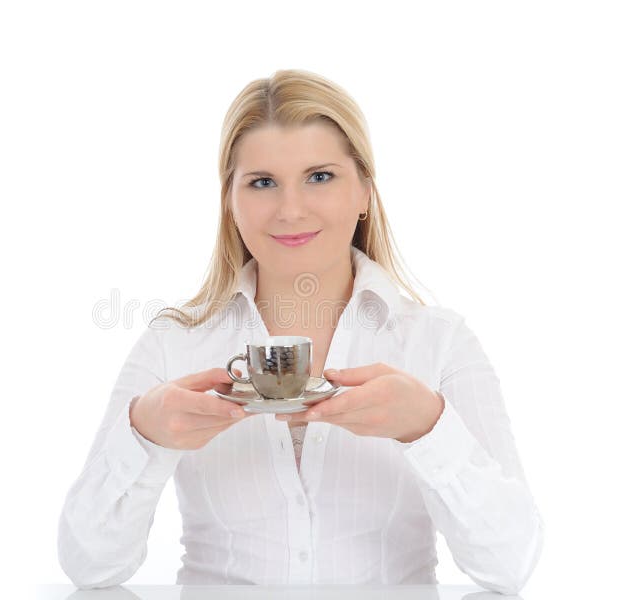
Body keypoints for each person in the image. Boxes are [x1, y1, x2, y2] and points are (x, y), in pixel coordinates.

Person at [57, 69, 544, 594]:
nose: (291, 210)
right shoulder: (172, 344)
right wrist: (145, 434)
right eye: (263, 182)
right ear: (230, 201)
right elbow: (90, 567)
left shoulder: (439, 343)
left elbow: (509, 564)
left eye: (320, 177)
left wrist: (426, 426)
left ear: (364, 192)